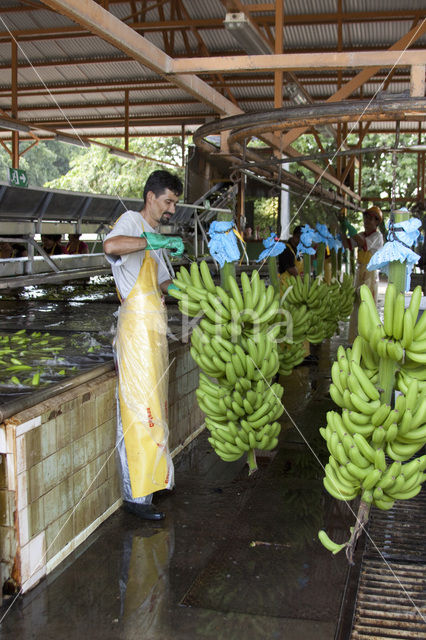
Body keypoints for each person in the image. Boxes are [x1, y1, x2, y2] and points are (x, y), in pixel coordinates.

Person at [103, 170, 184, 521]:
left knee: (155, 409)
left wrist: (201, 297)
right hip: (135, 332)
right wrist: (155, 243)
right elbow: (111, 246)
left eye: (175, 203)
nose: (172, 209)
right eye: (168, 201)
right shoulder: (132, 221)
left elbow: (165, 281)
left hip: (153, 331)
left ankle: (153, 482)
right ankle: (136, 497)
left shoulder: (154, 234)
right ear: (151, 197)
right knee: (138, 412)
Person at [339, 205, 384, 342]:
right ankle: (355, 339)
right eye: (366, 219)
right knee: (356, 305)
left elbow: (364, 245)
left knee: (367, 303)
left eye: (370, 219)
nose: (366, 222)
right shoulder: (362, 234)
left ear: (376, 222)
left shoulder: (377, 236)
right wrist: (342, 230)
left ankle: (368, 339)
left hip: (371, 273)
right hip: (360, 271)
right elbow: (348, 245)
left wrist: (350, 227)